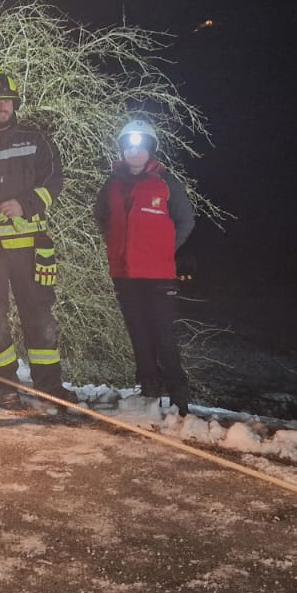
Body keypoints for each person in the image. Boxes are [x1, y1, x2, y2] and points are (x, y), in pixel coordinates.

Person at [0, 68, 73, 413]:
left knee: (40, 316)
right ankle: (4, 387)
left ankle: (50, 386)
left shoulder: (35, 140)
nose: (2, 106)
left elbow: (53, 182)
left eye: (8, 101)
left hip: (30, 248)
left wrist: (25, 204)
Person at [95, 118, 196, 415]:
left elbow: (186, 221)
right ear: (123, 150)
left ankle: (179, 397)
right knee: (138, 333)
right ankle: (149, 389)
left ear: (150, 150)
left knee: (164, 335)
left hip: (158, 275)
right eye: (128, 147)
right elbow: (101, 217)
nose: (134, 152)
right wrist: (116, 246)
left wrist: (164, 249)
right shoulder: (112, 184)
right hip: (125, 274)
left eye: (140, 147)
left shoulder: (166, 183)